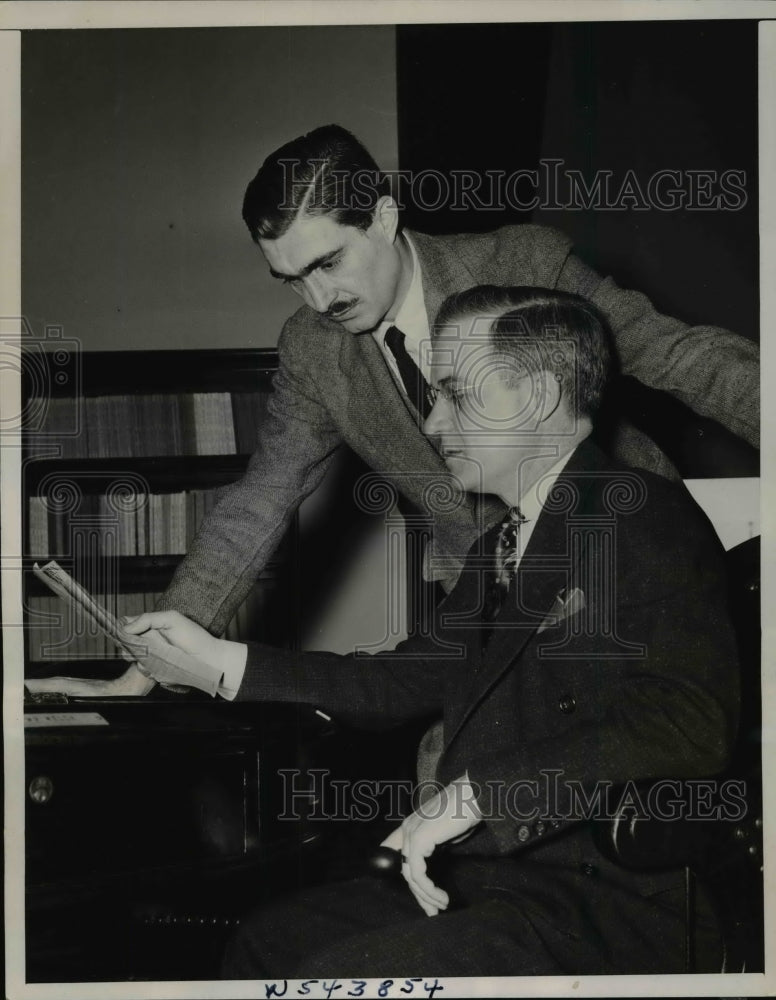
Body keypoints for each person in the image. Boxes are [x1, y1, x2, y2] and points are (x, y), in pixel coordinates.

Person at [104, 285, 738, 976]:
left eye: (457, 393)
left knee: (334, 978)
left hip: (607, 905)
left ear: (545, 396)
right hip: (492, 883)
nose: (434, 423)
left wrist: (481, 794)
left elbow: (685, 721)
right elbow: (402, 680)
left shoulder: (643, 515)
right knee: (266, 944)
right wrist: (219, 662)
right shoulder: (501, 542)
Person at [149, 123, 757, 653]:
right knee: (440, 772)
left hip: (624, 559)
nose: (318, 300)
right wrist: (166, 643)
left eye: (327, 263)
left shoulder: (518, 265)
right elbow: (263, 496)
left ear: (383, 218)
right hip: (489, 598)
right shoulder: (313, 350)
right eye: (289, 280)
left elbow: (679, 355)